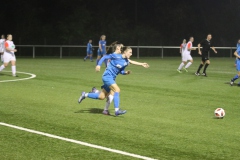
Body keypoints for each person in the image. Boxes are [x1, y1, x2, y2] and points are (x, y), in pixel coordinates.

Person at [78, 43, 149, 116]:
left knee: (102, 96)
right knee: (117, 90)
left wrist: (126, 72)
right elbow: (104, 57)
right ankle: (117, 110)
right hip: (107, 77)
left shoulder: (125, 62)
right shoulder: (116, 56)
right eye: (130, 52)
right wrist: (98, 65)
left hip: (112, 79)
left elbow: (121, 71)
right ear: (124, 52)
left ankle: (85, 95)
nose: (131, 54)